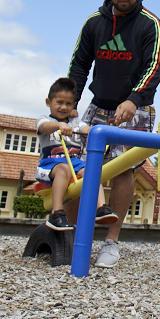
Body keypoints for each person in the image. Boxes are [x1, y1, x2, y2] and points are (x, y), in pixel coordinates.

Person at [68, 0, 160, 268]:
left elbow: (154, 67)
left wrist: (133, 100)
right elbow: (79, 64)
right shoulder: (94, 23)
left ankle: (111, 241)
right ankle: (71, 234)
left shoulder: (151, 24)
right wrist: (72, 101)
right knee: (77, 166)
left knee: (123, 169)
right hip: (98, 106)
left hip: (134, 108)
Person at [35, 77, 118, 231]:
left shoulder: (75, 123)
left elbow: (87, 129)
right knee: (63, 169)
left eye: (68, 104)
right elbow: (44, 127)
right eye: (59, 102)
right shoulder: (45, 119)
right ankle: (56, 213)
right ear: (49, 102)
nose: (63, 107)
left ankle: (100, 207)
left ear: (74, 105)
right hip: (50, 164)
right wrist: (59, 125)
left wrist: (102, 130)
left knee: (92, 172)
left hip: (75, 162)